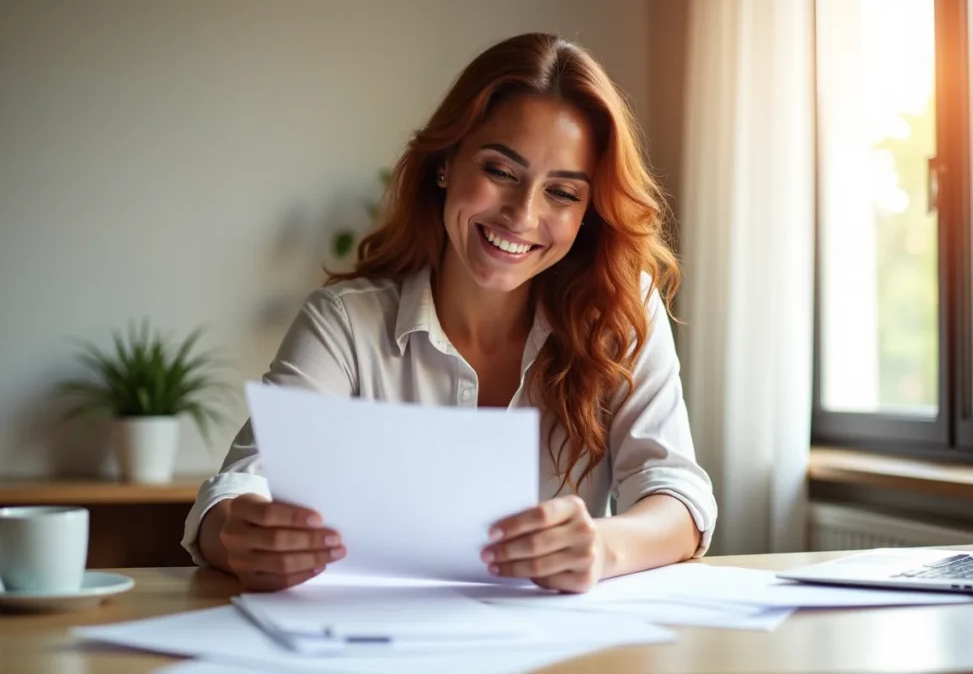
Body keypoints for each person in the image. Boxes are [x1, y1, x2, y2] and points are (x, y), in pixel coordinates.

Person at [182, 32, 717, 593]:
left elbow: (678, 496)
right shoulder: (344, 322)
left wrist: (603, 548)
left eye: (562, 193)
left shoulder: (619, 312)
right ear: (445, 164)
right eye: (501, 172)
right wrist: (240, 532)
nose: (521, 214)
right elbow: (238, 490)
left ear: (588, 212)